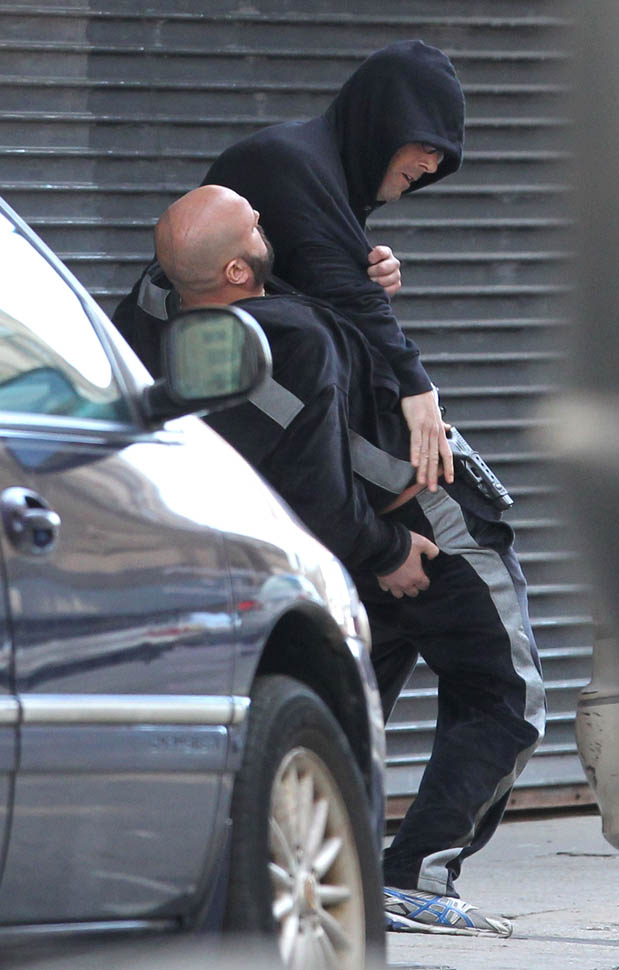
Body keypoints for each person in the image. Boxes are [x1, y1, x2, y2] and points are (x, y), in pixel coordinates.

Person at [148, 184, 546, 938]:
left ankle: (336, 874)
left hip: (342, 549)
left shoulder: (166, 329)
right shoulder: (291, 334)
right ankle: (414, 879)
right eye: (255, 222)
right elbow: (315, 473)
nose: (268, 220)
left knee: (346, 714)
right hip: (422, 528)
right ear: (236, 269)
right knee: (507, 698)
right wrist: (385, 547)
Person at [114, 39, 464, 495]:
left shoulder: (320, 175)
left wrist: (365, 275)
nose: (431, 164)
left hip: (199, 418)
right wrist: (417, 387)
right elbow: (347, 298)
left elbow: (332, 287)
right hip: (163, 423)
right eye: (425, 144)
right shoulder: (290, 164)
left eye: (442, 155)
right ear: (384, 125)